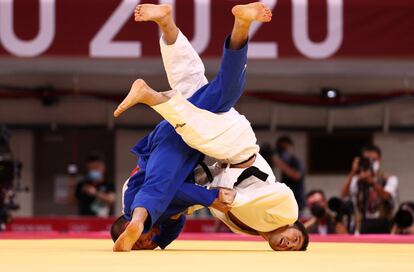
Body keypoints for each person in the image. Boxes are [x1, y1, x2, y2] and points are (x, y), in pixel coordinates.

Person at [112, 3, 308, 252]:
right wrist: (221, 199)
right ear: (298, 226)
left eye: (141, 241)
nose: (290, 243)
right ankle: (162, 61)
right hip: (232, 147)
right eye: (296, 240)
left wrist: (216, 199)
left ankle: (158, 77)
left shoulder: (132, 203)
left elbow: (178, 197)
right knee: (205, 93)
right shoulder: (287, 212)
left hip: (197, 146)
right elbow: (279, 194)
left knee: (206, 87)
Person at [341, 144, 398, 233]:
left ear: (379, 160)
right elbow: (343, 194)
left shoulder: (389, 178)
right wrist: (353, 171)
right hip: (363, 223)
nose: (371, 163)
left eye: (374, 160)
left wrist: (371, 182)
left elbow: (386, 195)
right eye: (368, 160)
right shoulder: (358, 180)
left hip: (383, 222)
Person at [273, 136, 306, 214]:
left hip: (297, 202)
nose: (284, 151)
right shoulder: (283, 161)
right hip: (285, 202)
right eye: (281, 149)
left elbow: (297, 175)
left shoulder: (295, 161)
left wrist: (280, 164)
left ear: (292, 147)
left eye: (285, 148)